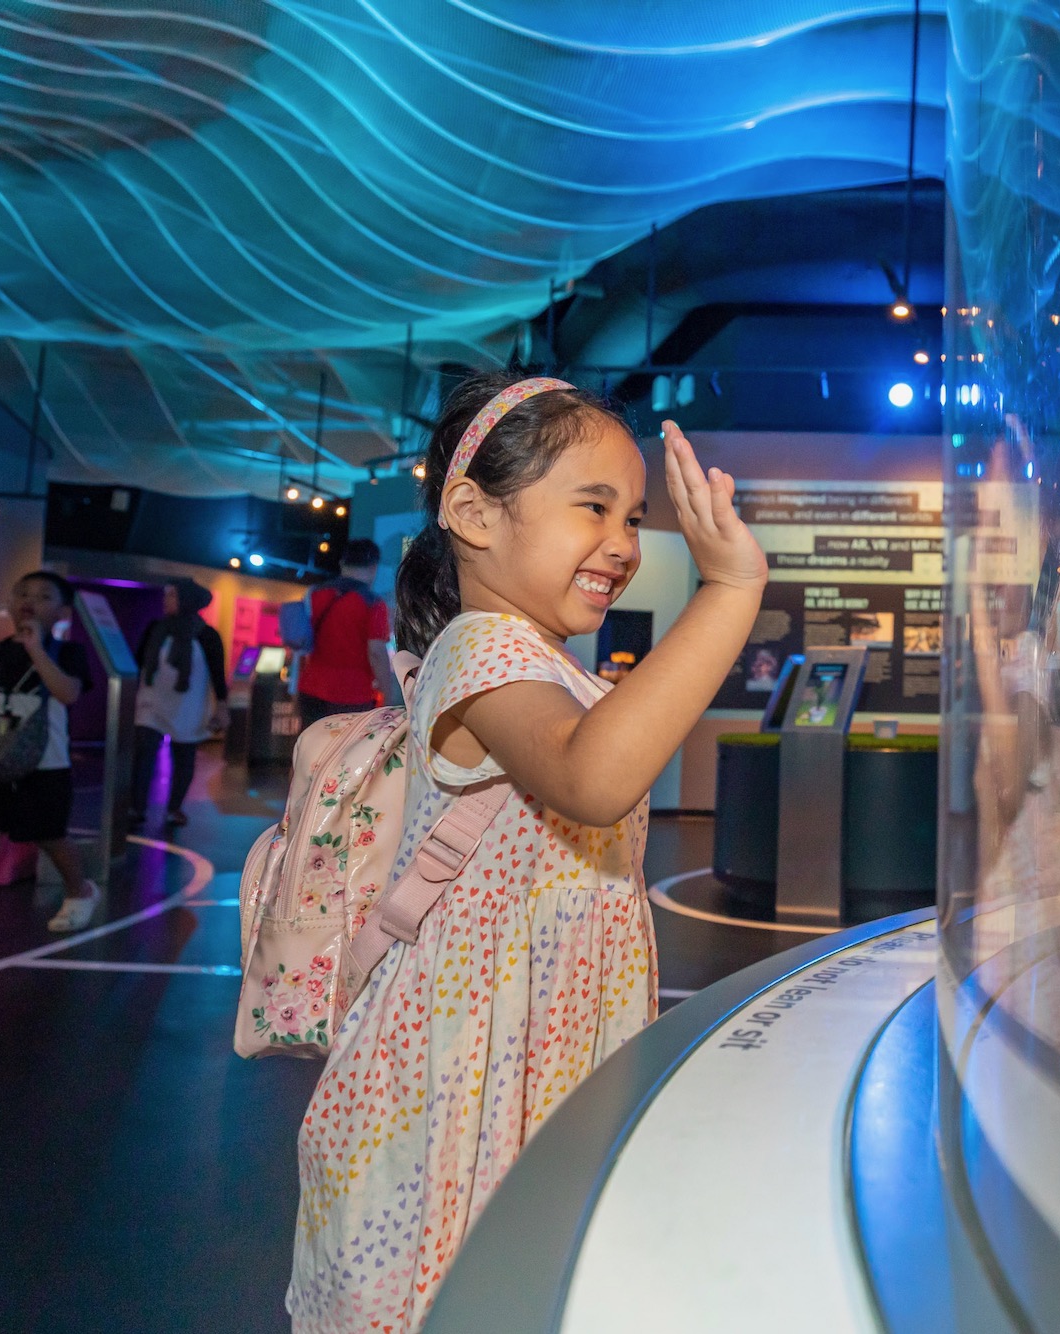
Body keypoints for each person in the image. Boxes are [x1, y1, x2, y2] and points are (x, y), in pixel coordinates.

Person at [288, 373, 766, 1332]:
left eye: (633, 516)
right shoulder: (480, 650)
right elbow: (595, 779)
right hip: (461, 1073)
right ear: (471, 511)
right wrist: (730, 588)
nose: (624, 544)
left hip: (533, 1041)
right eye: (593, 506)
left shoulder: (543, 666)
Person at [0, 570, 101, 930]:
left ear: (63, 612)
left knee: (49, 835)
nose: (30, 601)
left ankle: (80, 892)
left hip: (46, 763)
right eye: (23, 593)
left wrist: (36, 649)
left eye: (43, 596)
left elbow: (67, 693)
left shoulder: (67, 652)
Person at [130, 578, 228, 828]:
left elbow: (218, 674)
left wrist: (222, 706)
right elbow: (140, 663)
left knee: (184, 758)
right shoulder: (156, 629)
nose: (166, 600)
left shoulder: (207, 635)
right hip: (152, 703)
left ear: (187, 599)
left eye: (172, 595)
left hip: (189, 705)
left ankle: (174, 808)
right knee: (144, 754)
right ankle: (136, 807)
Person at [294, 537, 394, 729]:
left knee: (312, 751)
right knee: (345, 755)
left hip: (310, 688)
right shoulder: (373, 603)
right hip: (352, 694)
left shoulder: (315, 593)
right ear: (374, 567)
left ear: (342, 563)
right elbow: (376, 653)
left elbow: (300, 642)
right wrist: (388, 696)